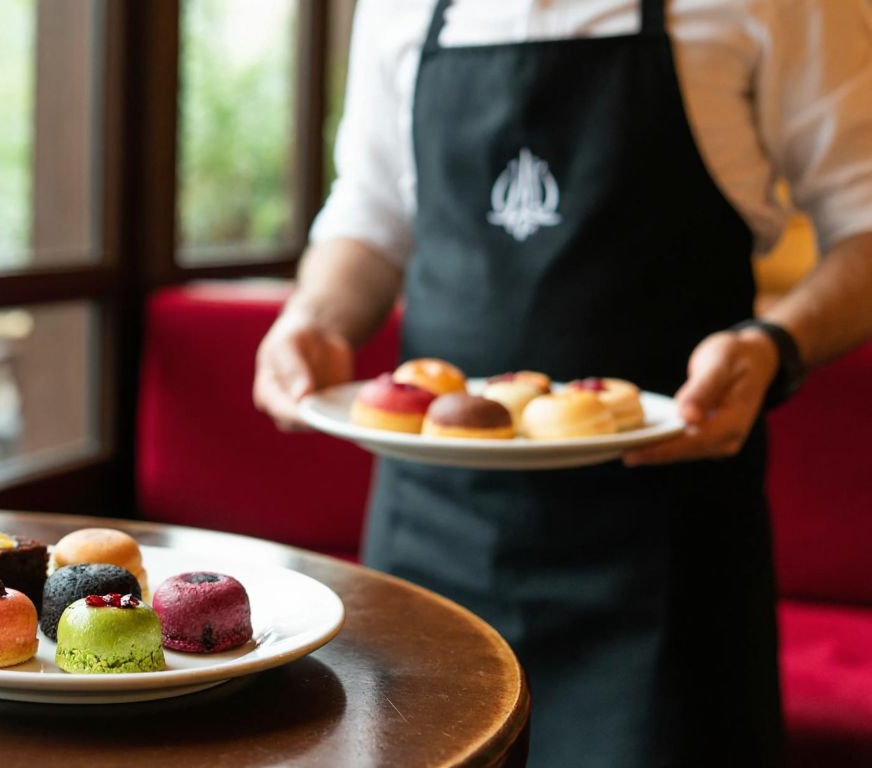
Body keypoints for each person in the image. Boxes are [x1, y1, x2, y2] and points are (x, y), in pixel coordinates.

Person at [253, 1, 872, 765]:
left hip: (666, 555)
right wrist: (314, 317)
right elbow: (371, 214)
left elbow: (865, 223)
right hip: (428, 540)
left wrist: (778, 344)